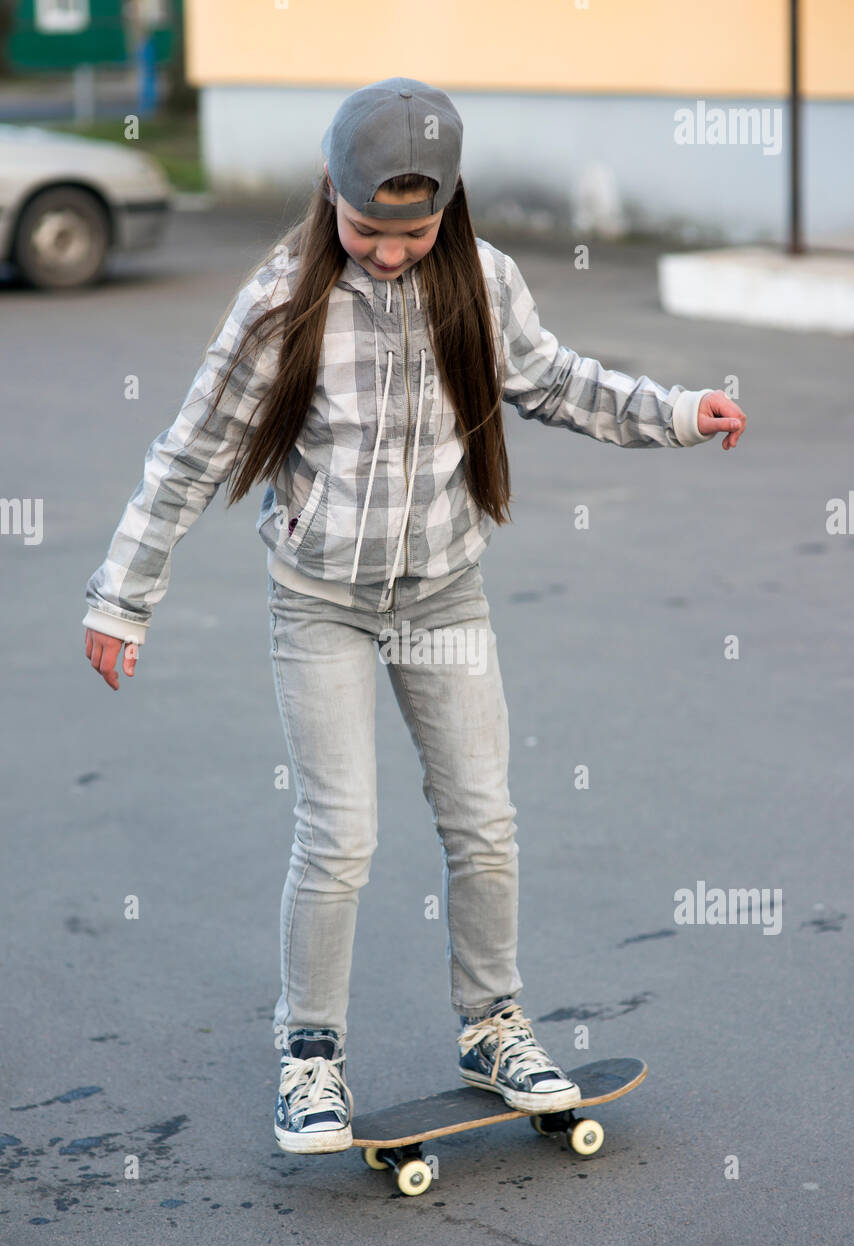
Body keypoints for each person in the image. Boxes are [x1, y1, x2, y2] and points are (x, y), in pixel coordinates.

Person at [82, 77, 746, 1156]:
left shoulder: (480, 285)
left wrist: (673, 411)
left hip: (443, 590)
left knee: (482, 819)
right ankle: (309, 1054)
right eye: (364, 230)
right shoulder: (278, 302)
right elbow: (192, 453)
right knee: (339, 836)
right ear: (329, 197)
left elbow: (554, 383)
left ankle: (491, 1024)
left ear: (447, 208)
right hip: (320, 604)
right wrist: (123, 594)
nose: (389, 253)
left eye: (413, 231)